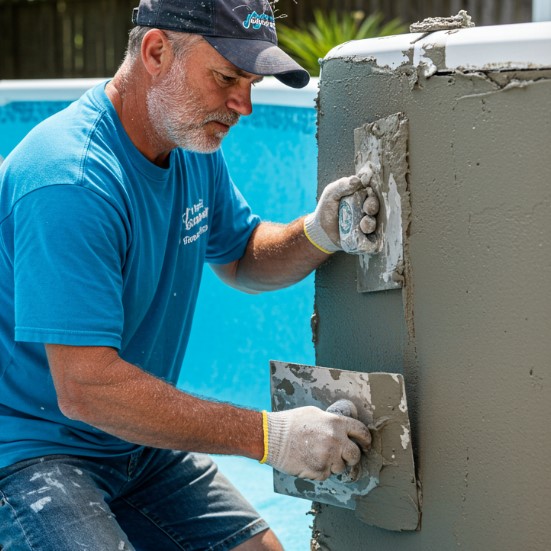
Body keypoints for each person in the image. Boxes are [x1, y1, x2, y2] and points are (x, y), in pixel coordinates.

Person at [0, 1, 373, 549]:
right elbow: (86, 389)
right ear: (155, 51)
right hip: (31, 453)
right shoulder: (70, 182)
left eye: (250, 82)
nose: (243, 104)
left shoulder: (189, 145)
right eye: (226, 78)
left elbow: (242, 255)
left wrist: (318, 233)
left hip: (134, 447)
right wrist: (271, 437)